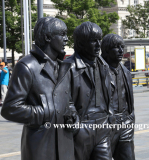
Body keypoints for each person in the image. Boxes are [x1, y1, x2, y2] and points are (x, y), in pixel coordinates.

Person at [0, 17, 78, 160]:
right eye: (62, 34)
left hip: (65, 144)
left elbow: (68, 100)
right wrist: (43, 112)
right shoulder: (27, 66)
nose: (66, 39)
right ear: (48, 37)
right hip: (41, 146)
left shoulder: (63, 66)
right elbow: (10, 108)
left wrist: (72, 112)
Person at [62, 21, 113, 160]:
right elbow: (63, 98)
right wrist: (74, 121)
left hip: (103, 126)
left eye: (99, 40)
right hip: (82, 127)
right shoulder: (69, 66)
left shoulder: (103, 65)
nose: (98, 45)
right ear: (81, 43)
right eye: (93, 41)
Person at [101, 34, 135, 160]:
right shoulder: (97, 70)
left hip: (125, 122)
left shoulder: (126, 72)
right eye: (116, 47)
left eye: (122, 47)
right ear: (106, 50)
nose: (121, 51)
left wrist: (130, 117)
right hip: (106, 124)